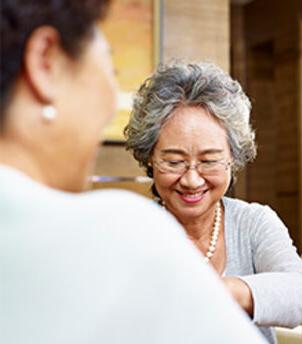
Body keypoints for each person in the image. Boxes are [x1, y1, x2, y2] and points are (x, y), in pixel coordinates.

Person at [0, 1, 265, 343]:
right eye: (111, 66)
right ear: (45, 62)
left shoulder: (252, 221)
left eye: (209, 159)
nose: (112, 100)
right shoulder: (122, 232)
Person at [124, 61, 302, 343]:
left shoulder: (253, 223)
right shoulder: (131, 229)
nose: (192, 180)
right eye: (174, 162)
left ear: (233, 159)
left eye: (209, 160)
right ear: (150, 159)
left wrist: (218, 291)